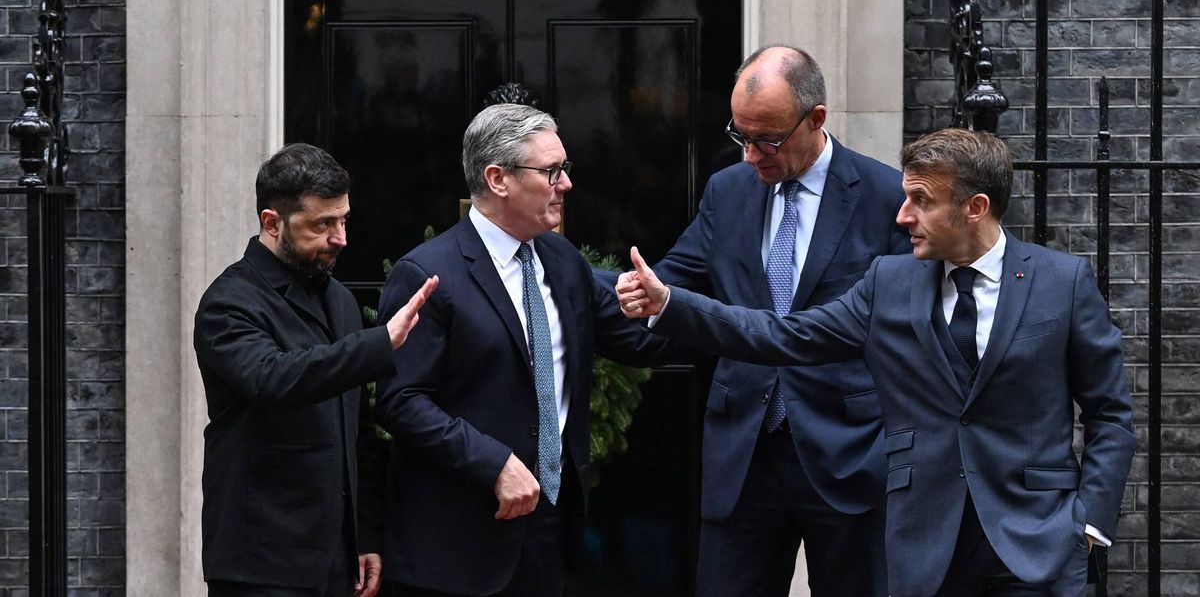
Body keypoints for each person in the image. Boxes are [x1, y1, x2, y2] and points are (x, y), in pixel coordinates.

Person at [618, 127, 1136, 596]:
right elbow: (785, 335)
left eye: (921, 201)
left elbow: (1110, 414)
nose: (902, 215)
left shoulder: (1062, 282)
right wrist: (671, 304)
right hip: (924, 545)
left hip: (1037, 542)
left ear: (975, 208)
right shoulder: (888, 282)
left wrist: (1089, 523)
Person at [374, 103, 678, 596]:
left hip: (547, 531)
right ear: (498, 179)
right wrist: (493, 462)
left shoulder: (562, 260)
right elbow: (400, 400)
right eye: (551, 171)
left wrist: (715, 319)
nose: (566, 184)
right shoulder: (428, 274)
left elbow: (640, 341)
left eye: (565, 168)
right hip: (457, 544)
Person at [642, 44, 908, 595]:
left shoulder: (886, 196)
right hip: (744, 452)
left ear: (816, 119)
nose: (750, 155)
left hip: (848, 452)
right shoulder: (727, 190)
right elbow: (674, 283)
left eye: (767, 139)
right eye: (740, 135)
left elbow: (903, 330)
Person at [193, 143, 438, 597]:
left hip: (336, 560)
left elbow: (358, 431)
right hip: (260, 564)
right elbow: (272, 378)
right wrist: (379, 342)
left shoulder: (339, 300)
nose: (340, 238)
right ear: (272, 223)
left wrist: (365, 536)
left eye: (343, 220)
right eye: (322, 224)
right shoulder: (228, 302)